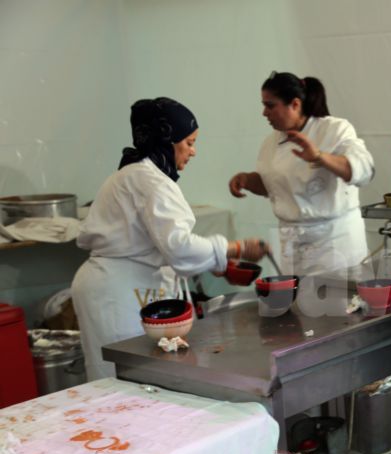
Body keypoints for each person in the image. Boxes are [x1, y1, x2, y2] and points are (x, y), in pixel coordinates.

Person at [72, 97, 267, 381]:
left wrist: (218, 264)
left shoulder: (137, 174)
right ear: (167, 140)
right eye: (189, 142)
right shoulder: (150, 181)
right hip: (118, 293)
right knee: (126, 377)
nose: (193, 151)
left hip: (124, 283)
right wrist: (236, 248)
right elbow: (179, 246)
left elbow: (159, 242)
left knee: (140, 377)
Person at [228, 72, 374, 280]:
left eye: (270, 106)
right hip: (293, 243)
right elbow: (275, 186)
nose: (264, 113)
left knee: (337, 298)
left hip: (334, 240)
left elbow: (364, 171)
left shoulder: (334, 129)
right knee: (298, 298)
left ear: (295, 104)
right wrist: (248, 180)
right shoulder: (270, 142)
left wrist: (319, 156)